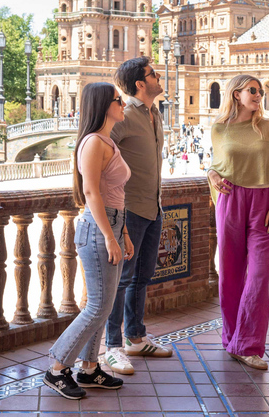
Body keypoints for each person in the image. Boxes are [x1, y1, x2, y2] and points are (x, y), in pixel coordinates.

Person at [44, 82, 134, 400]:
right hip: (97, 230)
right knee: (97, 305)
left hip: (111, 226)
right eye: (118, 100)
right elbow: (92, 193)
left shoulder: (107, 141)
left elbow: (115, 194)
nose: (123, 103)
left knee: (104, 305)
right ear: (102, 105)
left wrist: (122, 233)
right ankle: (57, 368)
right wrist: (111, 236)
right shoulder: (93, 143)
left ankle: (89, 367)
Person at [207, 74, 269, 371]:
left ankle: (248, 344)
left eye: (261, 90)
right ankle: (231, 339)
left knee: (257, 277)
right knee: (229, 274)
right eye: (253, 90)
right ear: (236, 94)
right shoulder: (219, 128)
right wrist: (212, 175)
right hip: (230, 202)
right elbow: (216, 165)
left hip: (263, 203)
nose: (259, 95)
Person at [104, 57, 172, 377]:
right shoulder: (126, 115)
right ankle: (113, 347)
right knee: (120, 281)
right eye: (153, 74)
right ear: (140, 84)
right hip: (128, 210)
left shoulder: (153, 113)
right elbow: (99, 149)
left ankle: (135, 337)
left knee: (142, 277)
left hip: (153, 207)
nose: (159, 77)